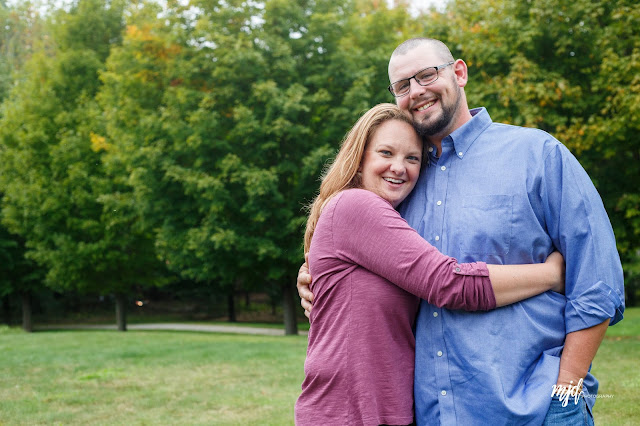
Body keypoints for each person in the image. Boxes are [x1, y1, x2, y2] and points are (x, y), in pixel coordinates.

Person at [297, 38, 625, 425]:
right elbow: (411, 275)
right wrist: (314, 278)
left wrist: (567, 396)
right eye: (402, 85)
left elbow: (598, 285)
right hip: (429, 414)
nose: (416, 91)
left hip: (535, 410)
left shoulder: (537, 154)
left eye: (426, 75)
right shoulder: (400, 187)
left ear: (459, 73)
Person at [294, 103, 566, 426]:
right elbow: (448, 283)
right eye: (385, 153)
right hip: (345, 413)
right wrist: (550, 274)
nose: (399, 167)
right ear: (359, 158)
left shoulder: (389, 219)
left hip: (387, 411)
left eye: (412, 158)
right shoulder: (356, 205)